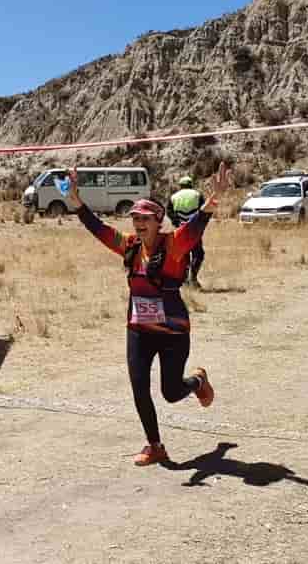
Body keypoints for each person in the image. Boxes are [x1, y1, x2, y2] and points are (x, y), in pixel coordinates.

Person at [68, 163, 231, 466]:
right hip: (139, 330)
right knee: (138, 386)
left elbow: (197, 225)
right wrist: (77, 203)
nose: (138, 223)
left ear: (158, 221)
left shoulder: (175, 244)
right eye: (134, 218)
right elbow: (99, 230)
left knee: (170, 392)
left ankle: (197, 381)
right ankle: (155, 445)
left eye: (145, 219)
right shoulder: (128, 246)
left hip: (173, 332)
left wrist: (214, 198)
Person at [168, 175, 206, 287]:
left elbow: (169, 212)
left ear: (180, 186)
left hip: (181, 230)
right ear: (191, 185)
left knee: (183, 256)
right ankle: (193, 278)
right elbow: (203, 211)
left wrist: (177, 223)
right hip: (194, 230)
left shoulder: (174, 196)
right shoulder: (197, 195)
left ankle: (184, 280)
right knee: (198, 254)